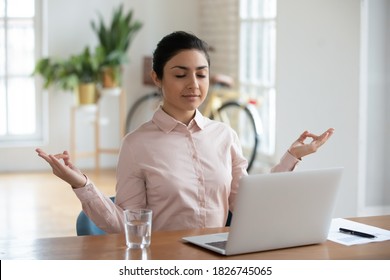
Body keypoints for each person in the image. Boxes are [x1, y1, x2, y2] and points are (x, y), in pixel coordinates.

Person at [36, 31, 334, 233]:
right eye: (180, 74)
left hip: (220, 258)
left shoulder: (224, 136)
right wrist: (81, 184)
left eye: (201, 74)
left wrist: (291, 158)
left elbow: (248, 207)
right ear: (157, 77)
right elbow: (127, 224)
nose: (193, 84)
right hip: (164, 260)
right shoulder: (137, 144)